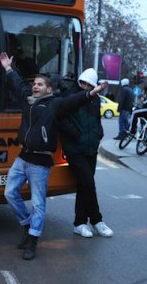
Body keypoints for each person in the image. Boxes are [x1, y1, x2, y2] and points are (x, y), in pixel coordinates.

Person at [0, 52, 107, 260]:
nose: (35, 87)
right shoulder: (28, 100)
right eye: (35, 84)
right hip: (23, 158)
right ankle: (27, 225)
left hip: (40, 163)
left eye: (40, 84)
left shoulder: (55, 104)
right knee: (10, 193)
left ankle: (32, 240)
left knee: (38, 204)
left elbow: (73, 101)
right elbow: (17, 84)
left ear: (48, 89)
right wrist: (8, 68)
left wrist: (91, 93)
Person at [59, 69, 114, 239]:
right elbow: (61, 118)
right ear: (80, 81)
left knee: (84, 185)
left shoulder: (95, 99)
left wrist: (99, 133)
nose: (86, 87)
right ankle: (97, 220)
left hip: (90, 147)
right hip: (75, 149)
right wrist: (75, 135)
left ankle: (80, 223)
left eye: (89, 84)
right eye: (84, 83)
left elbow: (96, 120)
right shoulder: (70, 96)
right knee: (88, 183)